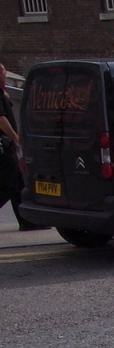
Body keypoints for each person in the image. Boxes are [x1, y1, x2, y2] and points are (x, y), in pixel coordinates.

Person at [0, 63, 46, 231]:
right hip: (3, 146)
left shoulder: (2, 92)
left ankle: (27, 221)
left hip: (6, 145)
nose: (6, 75)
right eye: (4, 72)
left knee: (18, 183)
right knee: (9, 183)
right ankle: (27, 221)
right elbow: (1, 118)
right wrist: (16, 137)